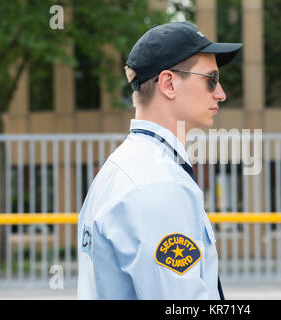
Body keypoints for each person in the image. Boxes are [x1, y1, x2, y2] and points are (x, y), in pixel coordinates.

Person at [77, 21, 242, 300]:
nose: (220, 93)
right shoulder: (157, 183)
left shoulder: (123, 168)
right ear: (168, 83)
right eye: (211, 79)